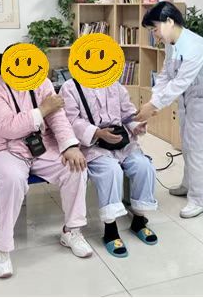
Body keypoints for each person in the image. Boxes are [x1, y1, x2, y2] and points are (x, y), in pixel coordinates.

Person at [0, 48, 92, 279]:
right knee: (11, 179)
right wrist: (43, 109)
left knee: (75, 167)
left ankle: (71, 230)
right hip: (3, 149)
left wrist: (69, 146)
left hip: (40, 144)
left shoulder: (42, 82)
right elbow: (8, 127)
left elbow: (57, 117)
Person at [135, 2, 203, 219]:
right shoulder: (172, 44)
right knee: (189, 146)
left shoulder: (195, 47)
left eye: (154, 29)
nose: (154, 35)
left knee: (199, 153)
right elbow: (165, 76)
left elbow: (180, 82)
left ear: (169, 22)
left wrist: (153, 106)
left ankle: (199, 200)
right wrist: (153, 100)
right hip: (190, 102)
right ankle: (188, 185)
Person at [60, 79, 158, 257]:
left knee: (144, 166)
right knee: (111, 171)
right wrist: (97, 133)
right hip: (93, 146)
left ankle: (139, 219)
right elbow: (70, 121)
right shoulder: (70, 87)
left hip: (122, 143)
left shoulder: (114, 84)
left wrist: (136, 126)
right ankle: (110, 229)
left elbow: (127, 113)